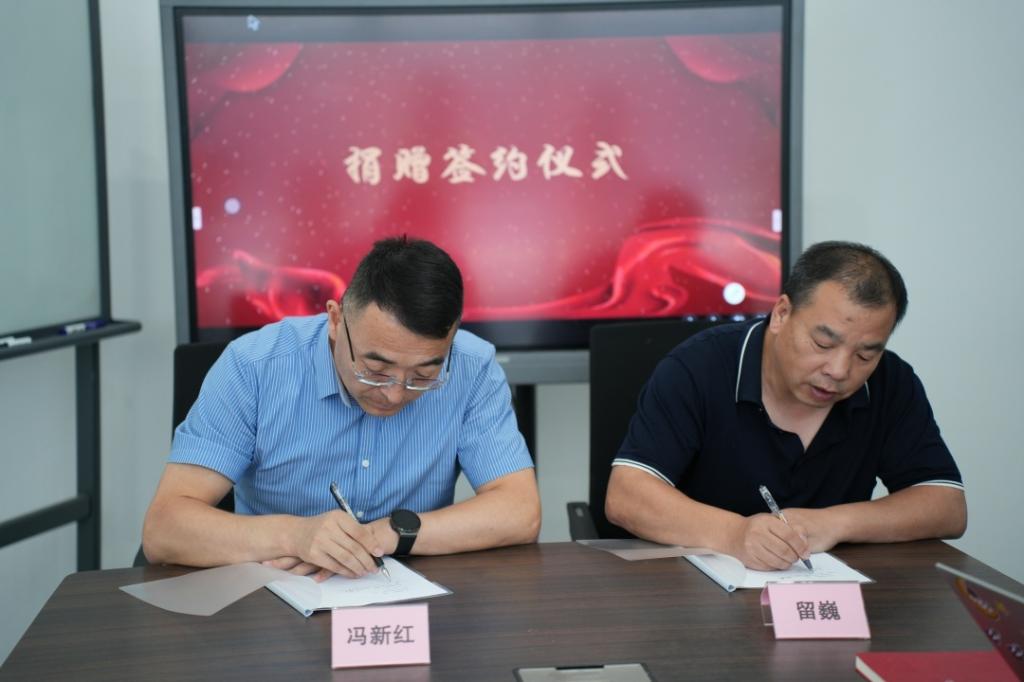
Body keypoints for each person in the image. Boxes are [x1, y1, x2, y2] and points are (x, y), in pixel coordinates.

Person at [143, 237, 540, 580]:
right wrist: (295, 536)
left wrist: (390, 533)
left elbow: (520, 511)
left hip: (407, 596)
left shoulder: (472, 367)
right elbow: (165, 529)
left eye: (423, 375)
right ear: (335, 320)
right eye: (375, 369)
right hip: (276, 593)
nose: (395, 394)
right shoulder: (254, 366)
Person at [605, 241, 966, 570]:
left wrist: (833, 523)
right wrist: (735, 534)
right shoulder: (699, 367)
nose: (840, 370)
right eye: (823, 344)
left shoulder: (891, 382)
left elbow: (946, 506)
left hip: (830, 599)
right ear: (781, 314)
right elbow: (626, 496)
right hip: (693, 594)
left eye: (864, 355)